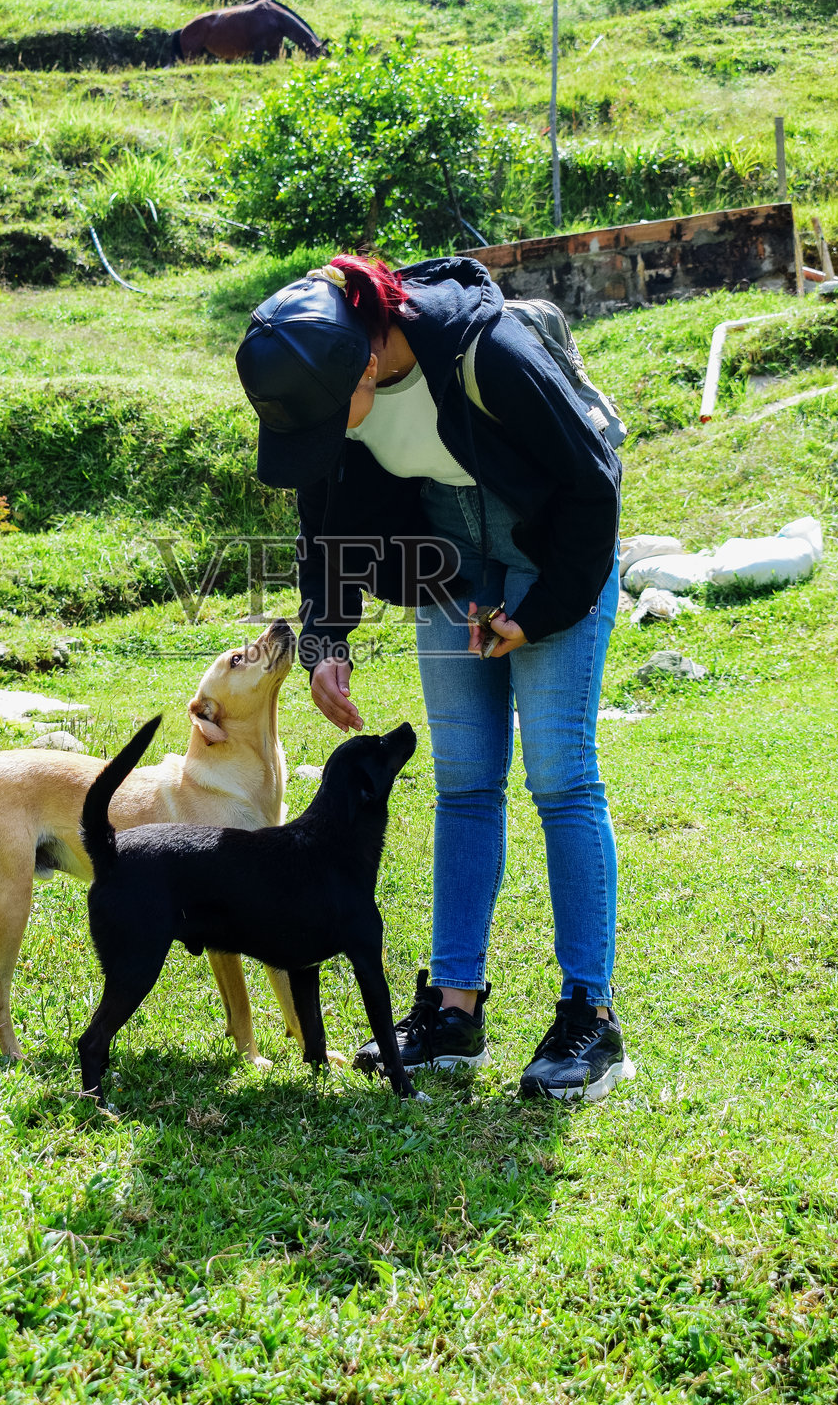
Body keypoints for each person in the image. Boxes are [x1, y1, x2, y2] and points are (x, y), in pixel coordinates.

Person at [235, 254, 634, 1101]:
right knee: (461, 781)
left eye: (324, 419)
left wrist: (538, 613)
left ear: (363, 358)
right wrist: (326, 636)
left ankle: (589, 1020)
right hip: (451, 565)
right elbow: (325, 518)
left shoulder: (484, 352)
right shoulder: (331, 388)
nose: (325, 437)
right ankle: (454, 1011)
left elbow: (592, 484)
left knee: (559, 774)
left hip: (557, 543)